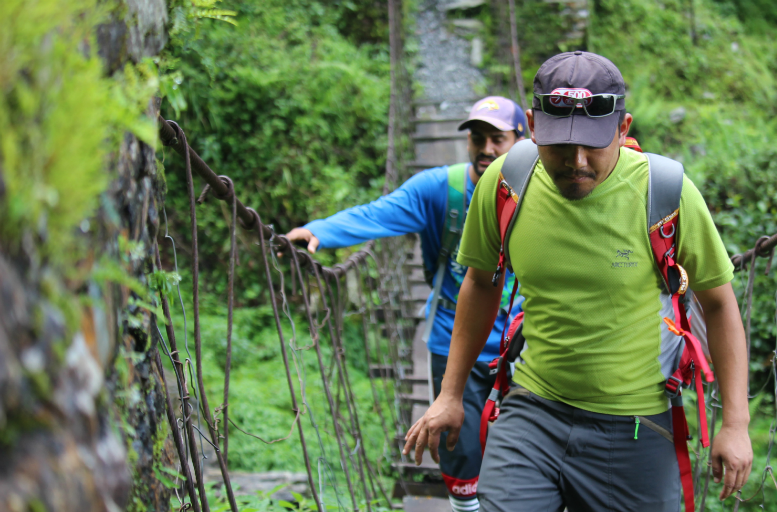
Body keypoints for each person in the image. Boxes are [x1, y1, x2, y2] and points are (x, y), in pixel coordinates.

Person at [403, 51, 753, 511]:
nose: (578, 162)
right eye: (560, 147)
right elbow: (481, 283)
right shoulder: (508, 182)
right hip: (533, 409)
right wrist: (450, 395)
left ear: (623, 129)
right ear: (531, 126)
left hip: (635, 424)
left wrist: (737, 423)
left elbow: (720, 304)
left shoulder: (665, 192)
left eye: (593, 144)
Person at [286, 96, 527, 512]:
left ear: (520, 142)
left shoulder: (540, 188)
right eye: (477, 138)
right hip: (455, 341)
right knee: (460, 448)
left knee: (526, 453)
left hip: (524, 343)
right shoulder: (441, 189)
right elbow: (379, 214)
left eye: (497, 139)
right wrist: (318, 231)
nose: (486, 148)